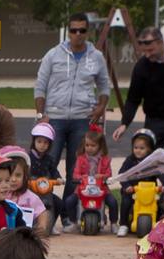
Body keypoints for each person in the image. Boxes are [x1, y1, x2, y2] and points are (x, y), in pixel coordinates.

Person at [33, 12, 113, 197]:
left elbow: (104, 86)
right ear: (68, 32)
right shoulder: (53, 55)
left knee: (76, 169)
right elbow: (40, 86)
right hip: (54, 118)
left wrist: (101, 106)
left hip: (82, 119)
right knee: (47, 164)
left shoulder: (97, 57)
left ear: (87, 31)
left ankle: (69, 215)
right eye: (73, 30)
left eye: (82, 30)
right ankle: (45, 211)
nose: (77, 34)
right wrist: (40, 115)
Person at [116, 26, 164, 155]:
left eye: (150, 50)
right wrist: (124, 123)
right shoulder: (142, 66)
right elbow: (133, 98)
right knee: (150, 159)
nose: (147, 55)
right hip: (155, 120)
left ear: (161, 42)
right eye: (144, 51)